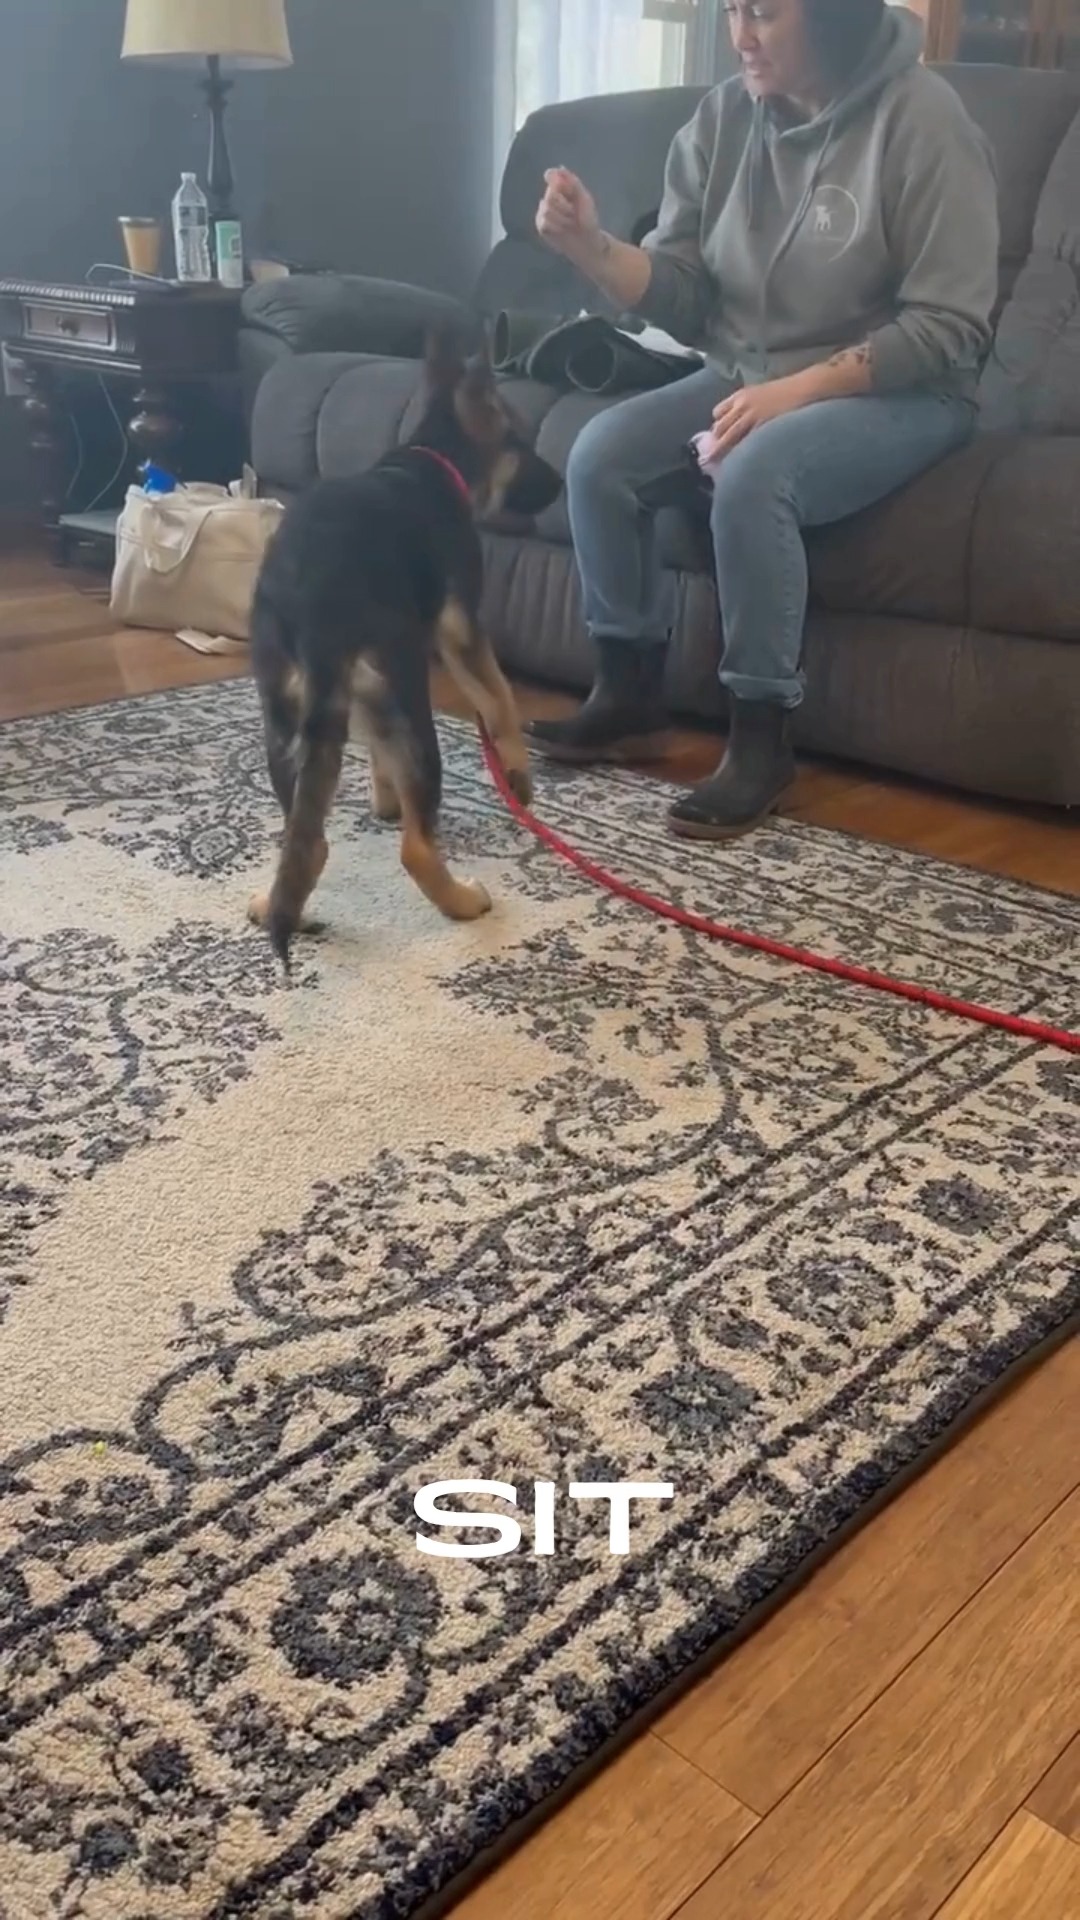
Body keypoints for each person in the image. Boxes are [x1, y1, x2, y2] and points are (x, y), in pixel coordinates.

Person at [528, 0, 999, 839]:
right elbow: (686, 294)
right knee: (599, 452)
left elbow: (949, 326)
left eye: (767, 14)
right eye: (734, 10)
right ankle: (630, 694)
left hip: (909, 391)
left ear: (832, 18)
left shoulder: (925, 121)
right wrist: (590, 248)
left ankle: (760, 737)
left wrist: (794, 392)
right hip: (750, 372)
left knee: (754, 469)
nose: (741, 34)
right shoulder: (722, 117)